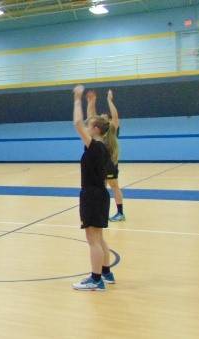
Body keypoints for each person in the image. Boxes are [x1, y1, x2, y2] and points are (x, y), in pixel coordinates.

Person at [71, 85, 115, 291]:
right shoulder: (103, 145)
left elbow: (78, 123)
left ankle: (96, 279)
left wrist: (77, 99)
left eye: (92, 125)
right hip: (101, 195)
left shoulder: (94, 146)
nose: (88, 126)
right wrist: (91, 103)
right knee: (99, 238)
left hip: (92, 195)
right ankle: (106, 272)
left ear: (96, 130)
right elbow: (89, 121)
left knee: (92, 240)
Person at [88, 90, 125, 222]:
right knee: (100, 187)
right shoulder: (98, 130)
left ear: (108, 120)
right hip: (99, 163)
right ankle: (100, 211)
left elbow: (115, 116)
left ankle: (120, 213)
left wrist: (109, 100)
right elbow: (92, 117)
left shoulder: (112, 129)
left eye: (104, 115)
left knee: (114, 185)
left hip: (109, 163)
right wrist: (91, 102)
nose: (102, 115)